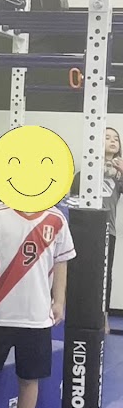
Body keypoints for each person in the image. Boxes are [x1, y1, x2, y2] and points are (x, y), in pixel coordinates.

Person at [0, 200, 76, 408]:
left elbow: (61, 262)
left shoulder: (56, 218)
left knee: (29, 378)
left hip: (36, 315)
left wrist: (59, 300)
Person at [71, 126, 123, 333]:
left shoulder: (118, 177)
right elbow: (72, 201)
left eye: (116, 138)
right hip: (83, 231)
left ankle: (103, 317)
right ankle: (76, 314)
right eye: (107, 137)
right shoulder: (83, 174)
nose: (113, 141)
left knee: (104, 276)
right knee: (79, 272)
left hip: (108, 231)